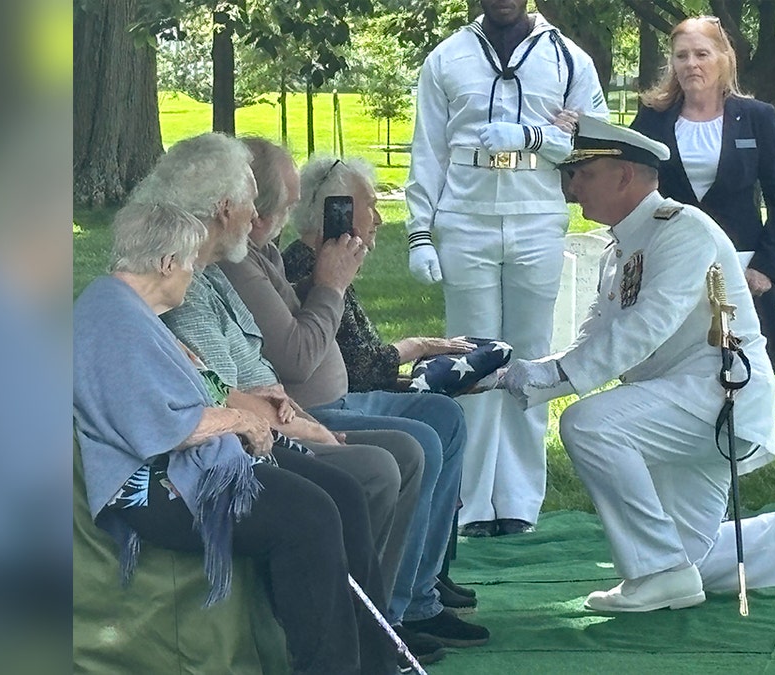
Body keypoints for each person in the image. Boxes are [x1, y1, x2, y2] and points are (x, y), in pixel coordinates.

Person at [500, 117, 775, 612]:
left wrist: (558, 379)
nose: (572, 188)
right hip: (679, 405)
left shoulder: (681, 229)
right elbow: (596, 335)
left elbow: (648, 324)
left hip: (717, 400)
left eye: (583, 174)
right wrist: (516, 376)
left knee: (590, 425)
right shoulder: (623, 246)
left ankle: (656, 572)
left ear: (624, 176)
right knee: (693, 556)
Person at [139, 135, 439, 666]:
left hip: (250, 433)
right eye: (254, 201)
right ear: (225, 207)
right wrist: (293, 424)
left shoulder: (212, 274)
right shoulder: (179, 280)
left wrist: (283, 413)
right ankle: (364, 649)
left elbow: (250, 379)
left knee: (358, 479)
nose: (260, 218)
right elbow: (213, 391)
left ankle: (374, 644)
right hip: (209, 457)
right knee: (344, 487)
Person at [74, 202, 395, 674]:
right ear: (165, 263)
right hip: (155, 489)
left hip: (189, 468)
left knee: (341, 493)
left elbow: (172, 392)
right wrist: (240, 421)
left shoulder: (127, 311)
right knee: (309, 516)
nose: (192, 274)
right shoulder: (114, 319)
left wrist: (241, 396)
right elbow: (162, 426)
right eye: (189, 263)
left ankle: (376, 660)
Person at [213, 151, 488, 654]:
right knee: (414, 441)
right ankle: (387, 614)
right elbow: (300, 359)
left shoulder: (266, 257)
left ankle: (412, 597)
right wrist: (331, 285)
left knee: (437, 422)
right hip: (296, 414)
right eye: (364, 204)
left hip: (313, 406)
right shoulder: (261, 264)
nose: (378, 217)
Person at [404, 0, 610, 537]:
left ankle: (518, 498)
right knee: (470, 357)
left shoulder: (568, 60)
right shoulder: (447, 58)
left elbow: (599, 142)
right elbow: (428, 151)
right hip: (466, 218)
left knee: (530, 353)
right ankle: (467, 499)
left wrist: (535, 138)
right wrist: (420, 233)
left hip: (537, 216)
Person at [630, 16, 775, 374]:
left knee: (744, 376)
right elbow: (626, 183)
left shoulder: (757, 117)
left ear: (723, 57)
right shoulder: (652, 119)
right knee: (673, 372)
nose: (692, 64)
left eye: (702, 54)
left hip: (742, 272)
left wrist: (765, 269)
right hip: (671, 266)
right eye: (682, 56)